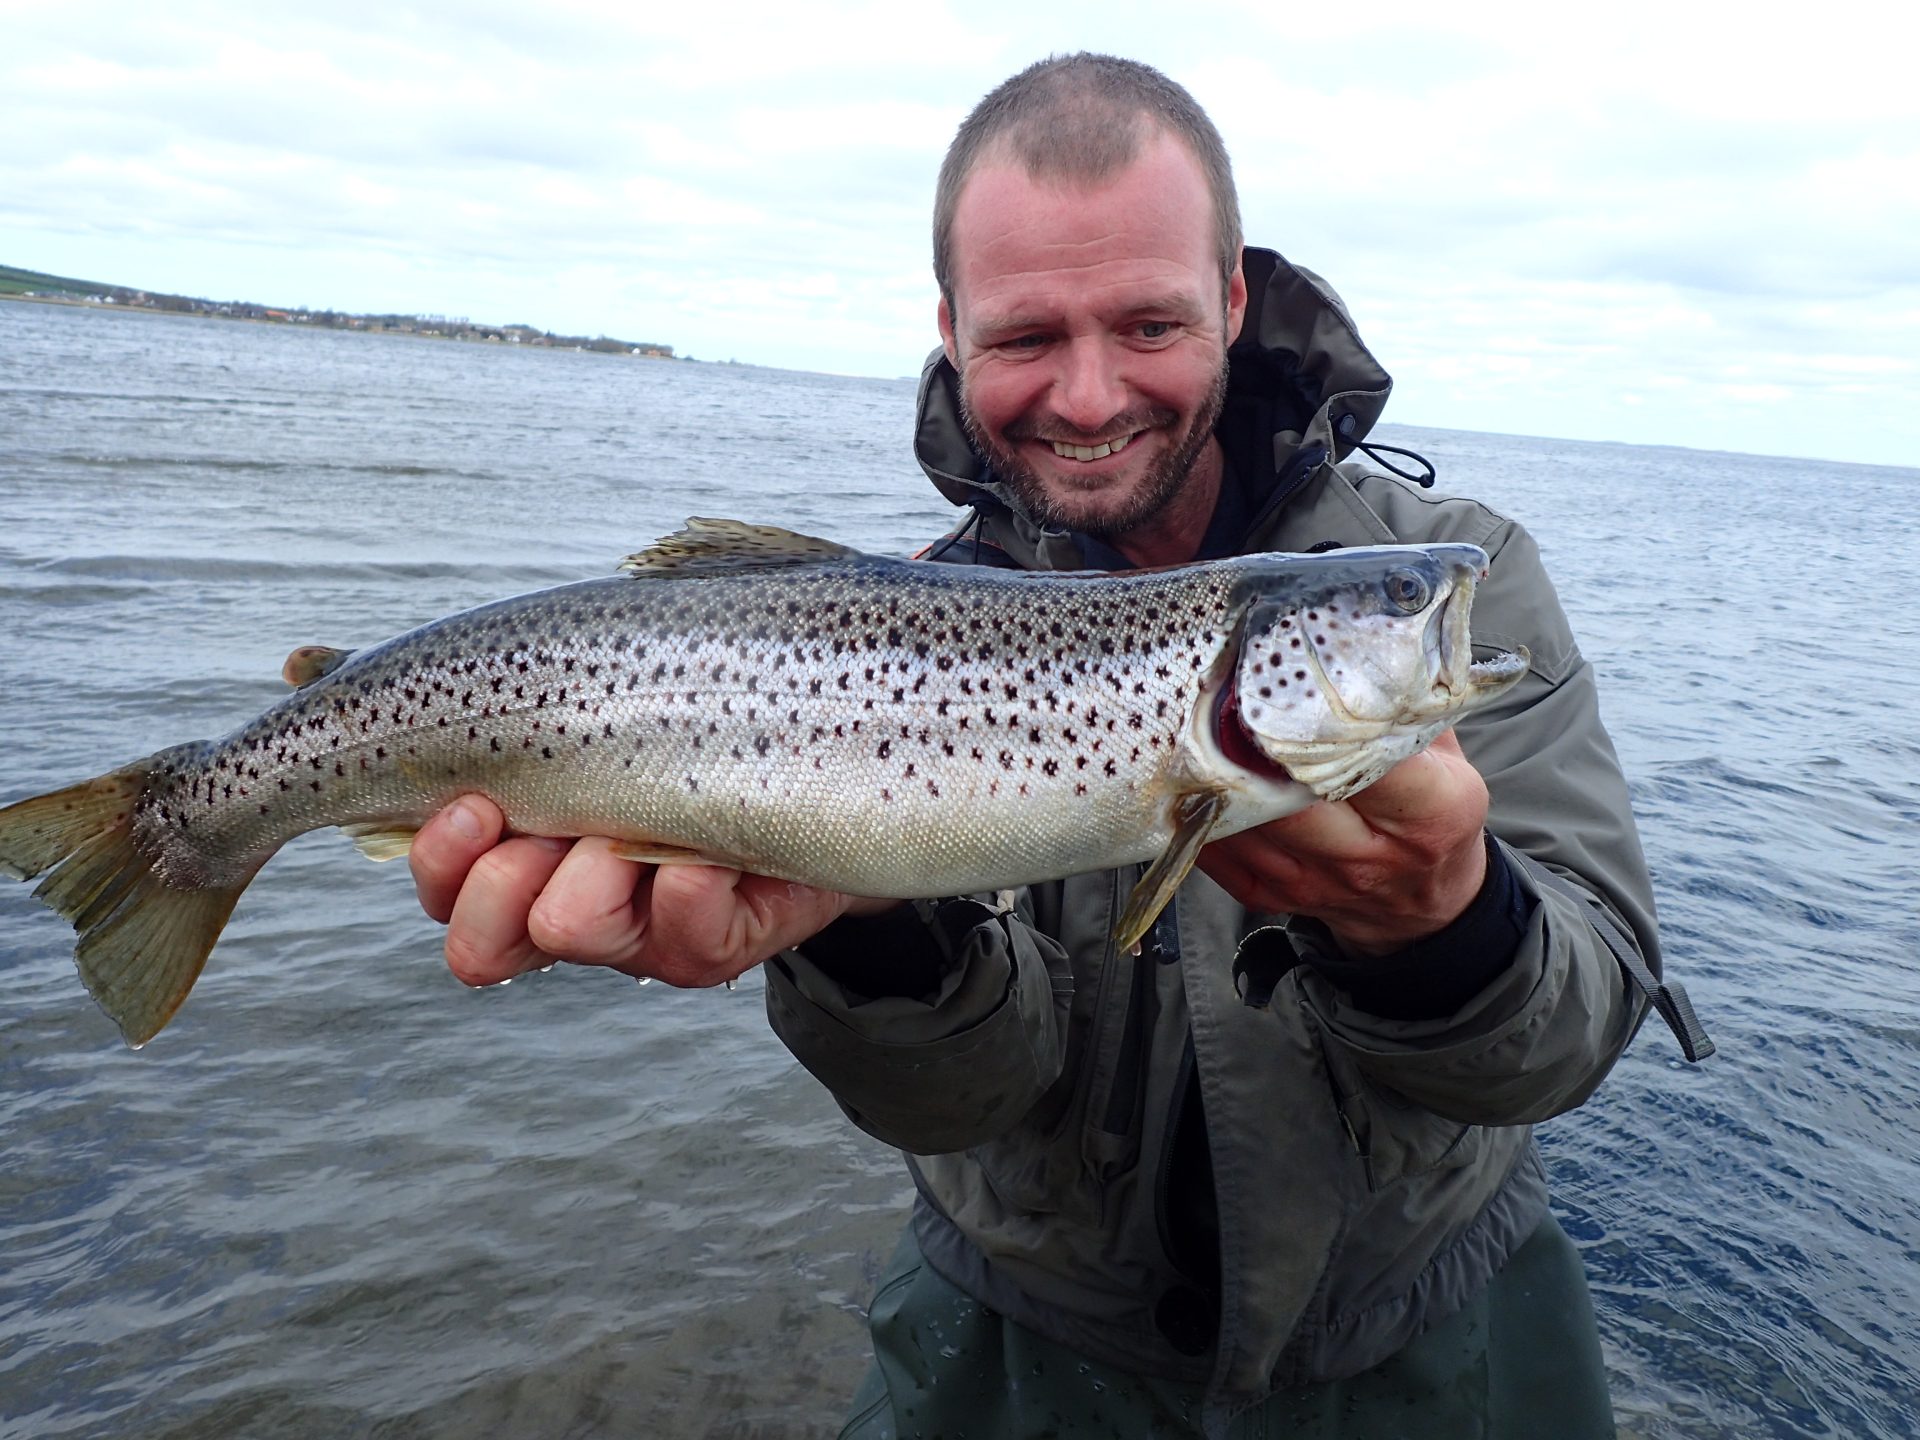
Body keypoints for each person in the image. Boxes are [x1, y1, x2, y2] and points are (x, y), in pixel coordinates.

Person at [408, 54, 1708, 1439]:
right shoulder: (891, 622)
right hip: (1020, 1339)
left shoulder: (1468, 571)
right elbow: (967, 1100)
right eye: (1027, 339)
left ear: (1231, 301)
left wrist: (1447, 927)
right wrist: (861, 929)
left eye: (1148, 324)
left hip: (1429, 1331)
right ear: (952, 328)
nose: (1088, 398)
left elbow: (1574, 1035)